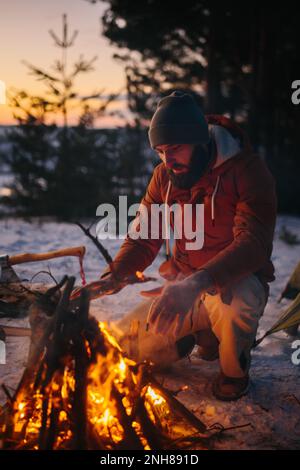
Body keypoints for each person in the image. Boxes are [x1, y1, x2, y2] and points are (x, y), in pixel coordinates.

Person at [87, 91, 277, 401]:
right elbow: (145, 233)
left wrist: (197, 282)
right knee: (126, 347)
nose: (167, 159)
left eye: (175, 148)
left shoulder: (246, 171)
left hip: (231, 283)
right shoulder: (165, 176)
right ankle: (196, 335)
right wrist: (117, 274)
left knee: (236, 304)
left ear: (200, 141)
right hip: (182, 288)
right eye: (160, 151)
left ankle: (233, 372)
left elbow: (253, 243)